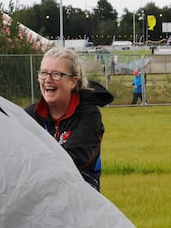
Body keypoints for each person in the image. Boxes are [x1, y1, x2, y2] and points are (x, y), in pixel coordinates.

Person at [24, 46, 113, 191]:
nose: (47, 79)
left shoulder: (89, 115)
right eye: (44, 73)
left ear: (73, 81)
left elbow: (75, 159)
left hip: (79, 196)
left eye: (56, 74)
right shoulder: (29, 115)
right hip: (39, 194)